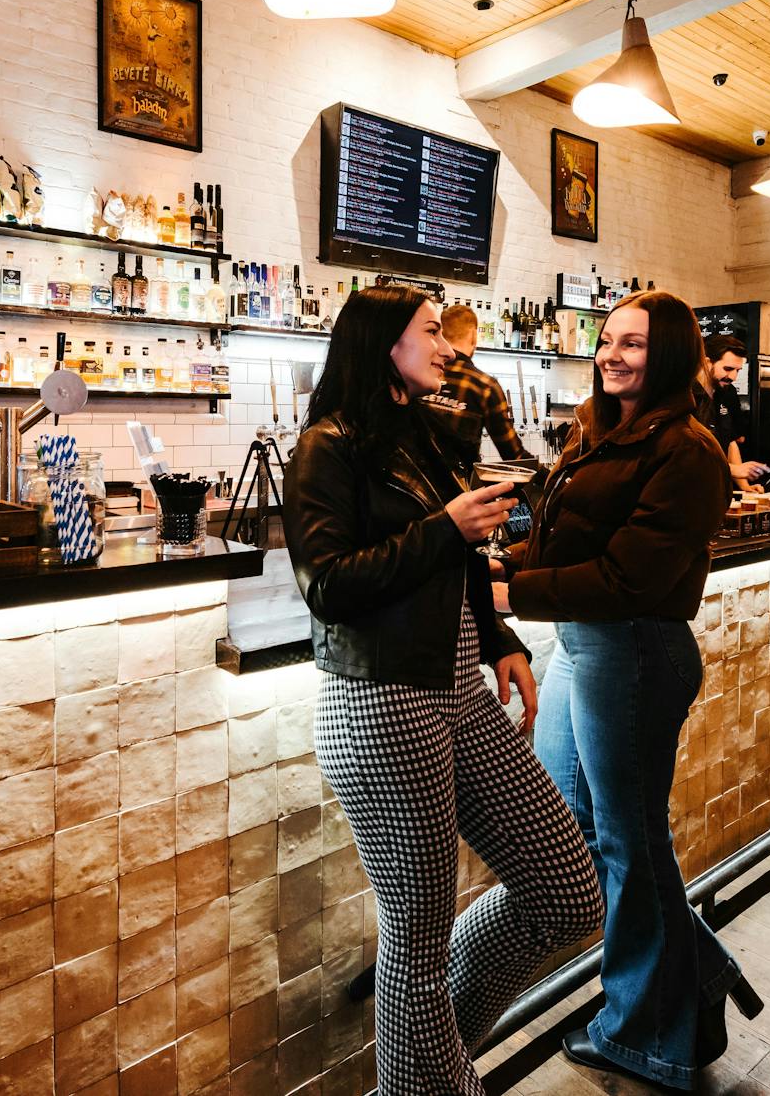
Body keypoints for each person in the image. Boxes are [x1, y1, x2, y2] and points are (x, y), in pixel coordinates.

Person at [285, 285, 603, 1096]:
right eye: (431, 332)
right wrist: (443, 529)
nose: (450, 347)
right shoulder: (327, 446)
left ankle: (426, 1069)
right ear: (383, 344)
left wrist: (498, 639)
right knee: (416, 946)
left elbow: (461, 564)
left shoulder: (425, 434)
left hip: (461, 691)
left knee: (568, 888)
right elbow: (326, 585)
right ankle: (437, 1079)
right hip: (385, 704)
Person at [491, 290, 761, 1089]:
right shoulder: (598, 428)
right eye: (607, 341)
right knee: (569, 824)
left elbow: (626, 576)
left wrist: (512, 596)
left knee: (629, 839)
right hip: (583, 645)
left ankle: (641, 1031)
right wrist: (505, 558)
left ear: (670, 354)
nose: (612, 355)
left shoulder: (688, 449)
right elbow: (560, 529)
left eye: (633, 345)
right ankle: (693, 971)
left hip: (634, 650)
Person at [426, 302, 534, 470]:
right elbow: (514, 456)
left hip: (413, 487)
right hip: (459, 488)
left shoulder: (423, 375)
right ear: (473, 335)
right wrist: (554, 478)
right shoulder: (485, 386)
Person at [695, 333, 768, 490]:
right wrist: (734, 470)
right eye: (728, 369)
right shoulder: (686, 396)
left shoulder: (728, 392)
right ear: (707, 363)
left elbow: (730, 442)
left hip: (718, 488)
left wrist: (745, 486)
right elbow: (686, 455)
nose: (733, 377)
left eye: (737, 370)